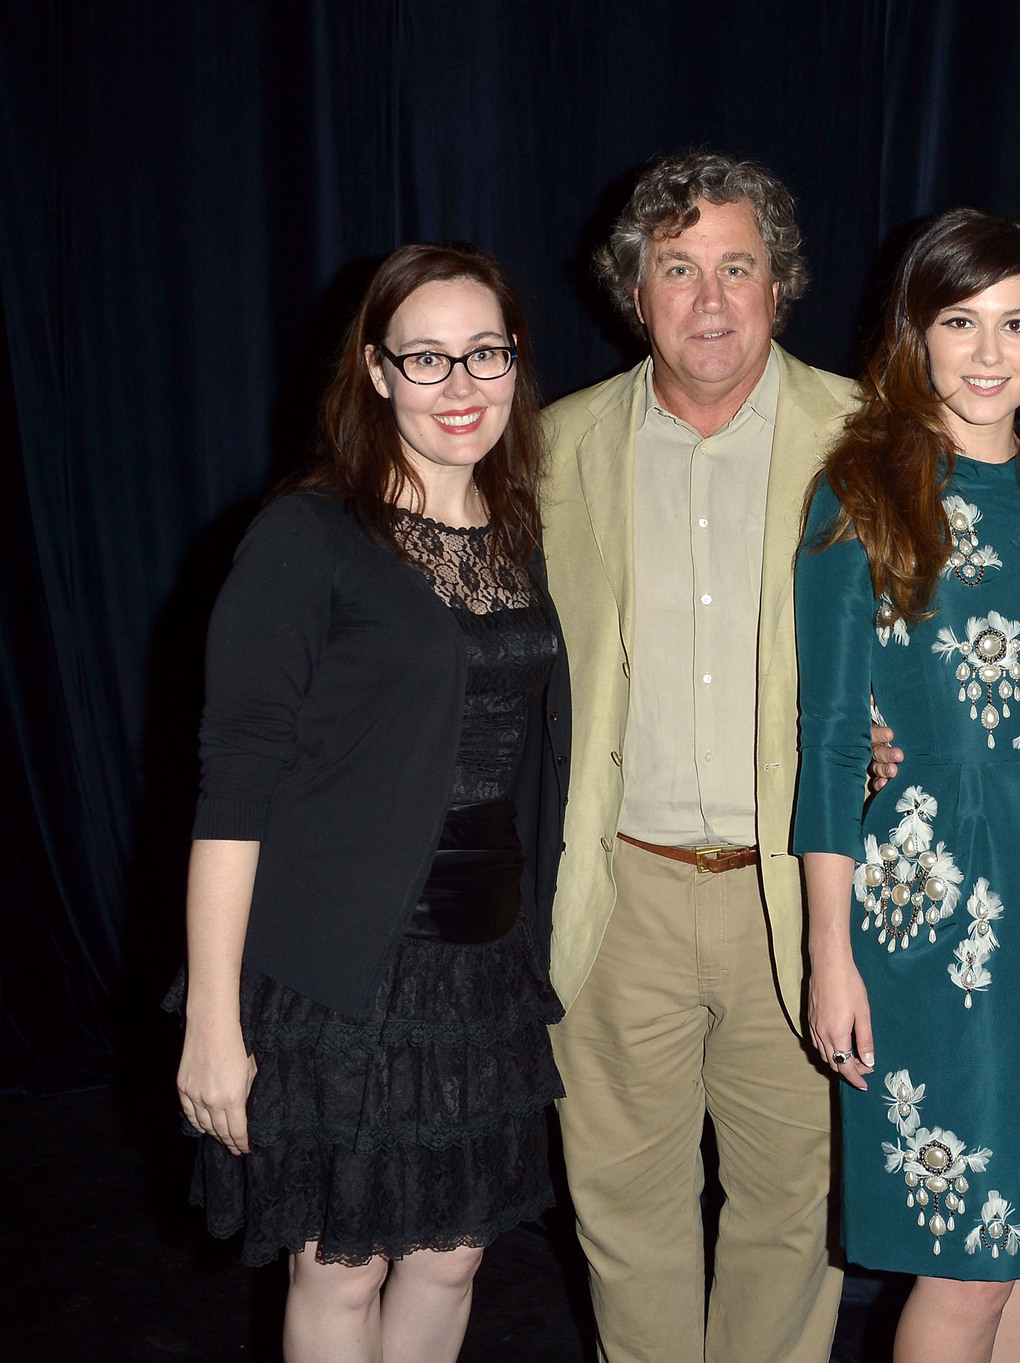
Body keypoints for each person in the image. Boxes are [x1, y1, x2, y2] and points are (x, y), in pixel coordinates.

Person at [170, 242, 571, 1363]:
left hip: (482, 963)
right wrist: (212, 1019)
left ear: (514, 363)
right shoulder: (305, 539)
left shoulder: (517, 535)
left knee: (451, 1254)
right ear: (376, 370)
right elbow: (232, 783)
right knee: (340, 1263)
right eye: (426, 357)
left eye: (483, 354)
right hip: (341, 966)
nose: (460, 385)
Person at [539, 151, 857, 1363]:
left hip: (801, 893)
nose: (710, 299)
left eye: (738, 266)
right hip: (621, 897)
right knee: (625, 1217)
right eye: (678, 268)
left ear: (780, 286)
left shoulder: (870, 435)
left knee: (798, 1217)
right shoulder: (556, 449)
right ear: (634, 289)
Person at [795, 207, 1020, 1363]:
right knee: (971, 1254)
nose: (989, 354)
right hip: (928, 903)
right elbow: (830, 740)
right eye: (960, 321)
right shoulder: (863, 493)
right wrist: (829, 953)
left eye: (1015, 324)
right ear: (914, 335)